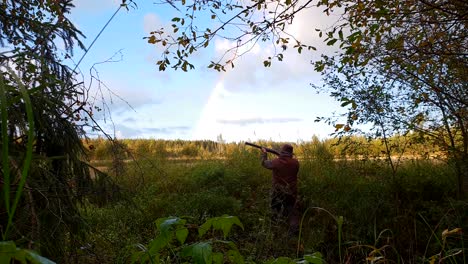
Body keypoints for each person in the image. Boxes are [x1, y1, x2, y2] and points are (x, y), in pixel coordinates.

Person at [261, 144, 300, 236]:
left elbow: (264, 163)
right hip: (292, 191)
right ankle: (294, 230)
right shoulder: (296, 163)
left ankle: (274, 229)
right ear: (291, 153)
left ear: (282, 152)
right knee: (291, 210)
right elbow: (286, 163)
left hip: (278, 191)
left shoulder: (276, 162)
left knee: (275, 208)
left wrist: (264, 154)